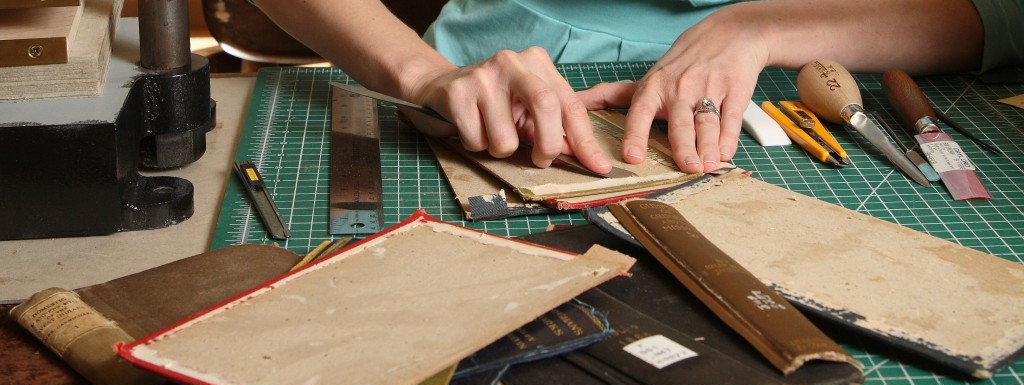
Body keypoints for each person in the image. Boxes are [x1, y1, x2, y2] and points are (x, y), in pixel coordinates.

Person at [251, 0, 1023, 176]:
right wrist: (423, 72)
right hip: (489, 107)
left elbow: (999, 13)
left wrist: (763, 29)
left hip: (799, 89)